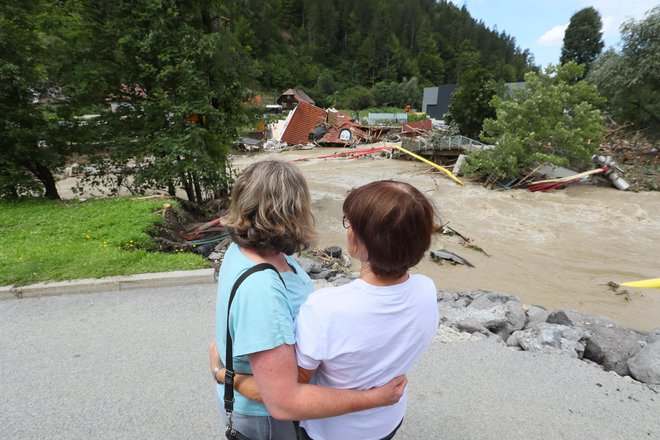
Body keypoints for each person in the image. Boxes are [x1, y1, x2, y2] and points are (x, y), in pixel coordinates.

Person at [213, 177, 440, 440]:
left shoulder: (326, 309)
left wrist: (225, 373)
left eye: (349, 222)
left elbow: (289, 391)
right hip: (388, 420)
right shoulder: (427, 290)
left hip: (334, 430)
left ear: (360, 239)